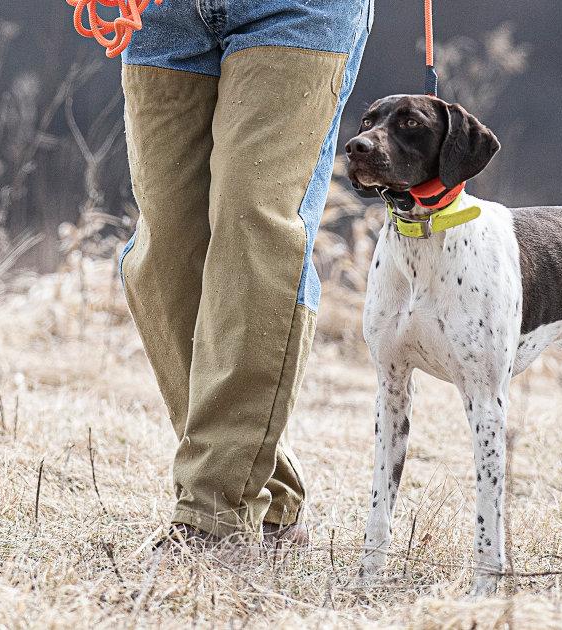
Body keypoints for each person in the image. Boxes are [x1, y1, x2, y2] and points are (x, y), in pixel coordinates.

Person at [118, 0, 372, 546]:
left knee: (252, 227)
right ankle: (271, 493)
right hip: (160, 13)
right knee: (163, 253)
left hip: (297, 11)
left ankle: (214, 516)